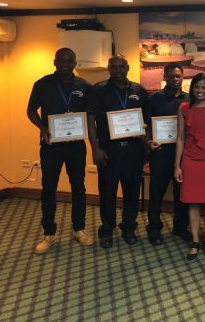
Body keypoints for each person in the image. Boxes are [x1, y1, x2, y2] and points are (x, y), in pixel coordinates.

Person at [27, 48, 94, 254]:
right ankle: (48, 233)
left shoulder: (84, 86)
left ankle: (79, 229)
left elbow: (90, 115)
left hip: (75, 145)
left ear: (75, 63)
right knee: (48, 188)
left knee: (78, 187)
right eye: (62, 60)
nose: (66, 63)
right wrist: (43, 128)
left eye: (70, 60)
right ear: (55, 62)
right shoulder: (42, 84)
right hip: (51, 145)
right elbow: (30, 111)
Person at [87, 55, 148, 249]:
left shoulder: (139, 90)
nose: (118, 70)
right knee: (107, 193)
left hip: (133, 151)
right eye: (114, 67)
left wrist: (147, 146)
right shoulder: (99, 90)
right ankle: (107, 230)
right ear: (108, 68)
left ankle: (128, 228)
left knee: (132, 192)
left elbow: (146, 120)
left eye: (121, 66)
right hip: (108, 151)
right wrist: (95, 148)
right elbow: (90, 120)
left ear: (128, 68)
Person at [174, 73, 205, 260]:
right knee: (193, 201)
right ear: (192, 88)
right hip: (190, 160)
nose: (200, 91)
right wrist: (177, 166)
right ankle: (195, 239)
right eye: (197, 87)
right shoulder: (184, 108)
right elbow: (180, 138)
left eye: (204, 87)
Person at [146, 62, 190, 246]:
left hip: (183, 154)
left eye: (178, 76)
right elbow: (145, 124)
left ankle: (180, 228)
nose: (175, 79)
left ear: (182, 77)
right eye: (171, 76)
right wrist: (148, 141)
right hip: (161, 153)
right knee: (157, 191)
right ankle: (154, 228)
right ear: (164, 77)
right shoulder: (154, 98)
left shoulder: (189, 99)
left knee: (182, 192)